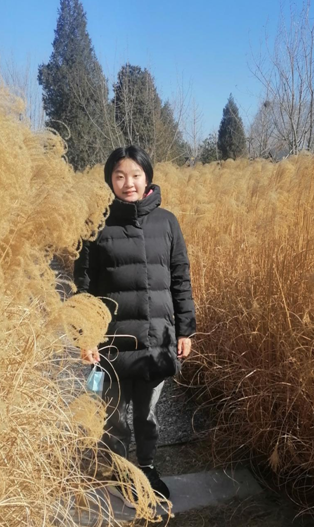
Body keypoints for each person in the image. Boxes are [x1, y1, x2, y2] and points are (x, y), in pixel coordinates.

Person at [73, 145, 196, 507]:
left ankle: (147, 467)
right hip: (111, 342)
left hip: (157, 340)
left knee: (147, 414)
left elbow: (180, 279)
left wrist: (185, 330)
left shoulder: (167, 223)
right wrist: (85, 337)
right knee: (113, 415)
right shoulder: (95, 225)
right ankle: (120, 470)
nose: (128, 183)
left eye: (136, 175)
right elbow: (82, 288)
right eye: (120, 176)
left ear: (147, 178)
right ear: (110, 180)